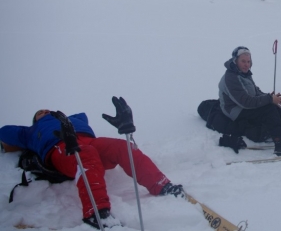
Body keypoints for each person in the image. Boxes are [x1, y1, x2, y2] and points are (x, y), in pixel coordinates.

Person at [0, 98, 184, 230]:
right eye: (40, 113)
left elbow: (83, 116)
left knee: (123, 146)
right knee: (85, 154)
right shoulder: (30, 131)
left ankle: (161, 185)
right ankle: (97, 213)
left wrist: (125, 125)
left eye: (48, 110)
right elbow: (5, 132)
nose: (45, 112)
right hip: (61, 147)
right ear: (35, 120)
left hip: (88, 141)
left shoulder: (73, 119)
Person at [218, 46, 281, 156]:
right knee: (268, 109)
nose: (246, 64)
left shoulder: (243, 73)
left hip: (243, 105)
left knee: (273, 106)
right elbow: (245, 102)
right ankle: (280, 144)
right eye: (243, 61)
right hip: (235, 110)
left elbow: (255, 91)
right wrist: (269, 99)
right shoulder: (231, 77)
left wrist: (270, 98)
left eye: (248, 61)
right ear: (235, 61)